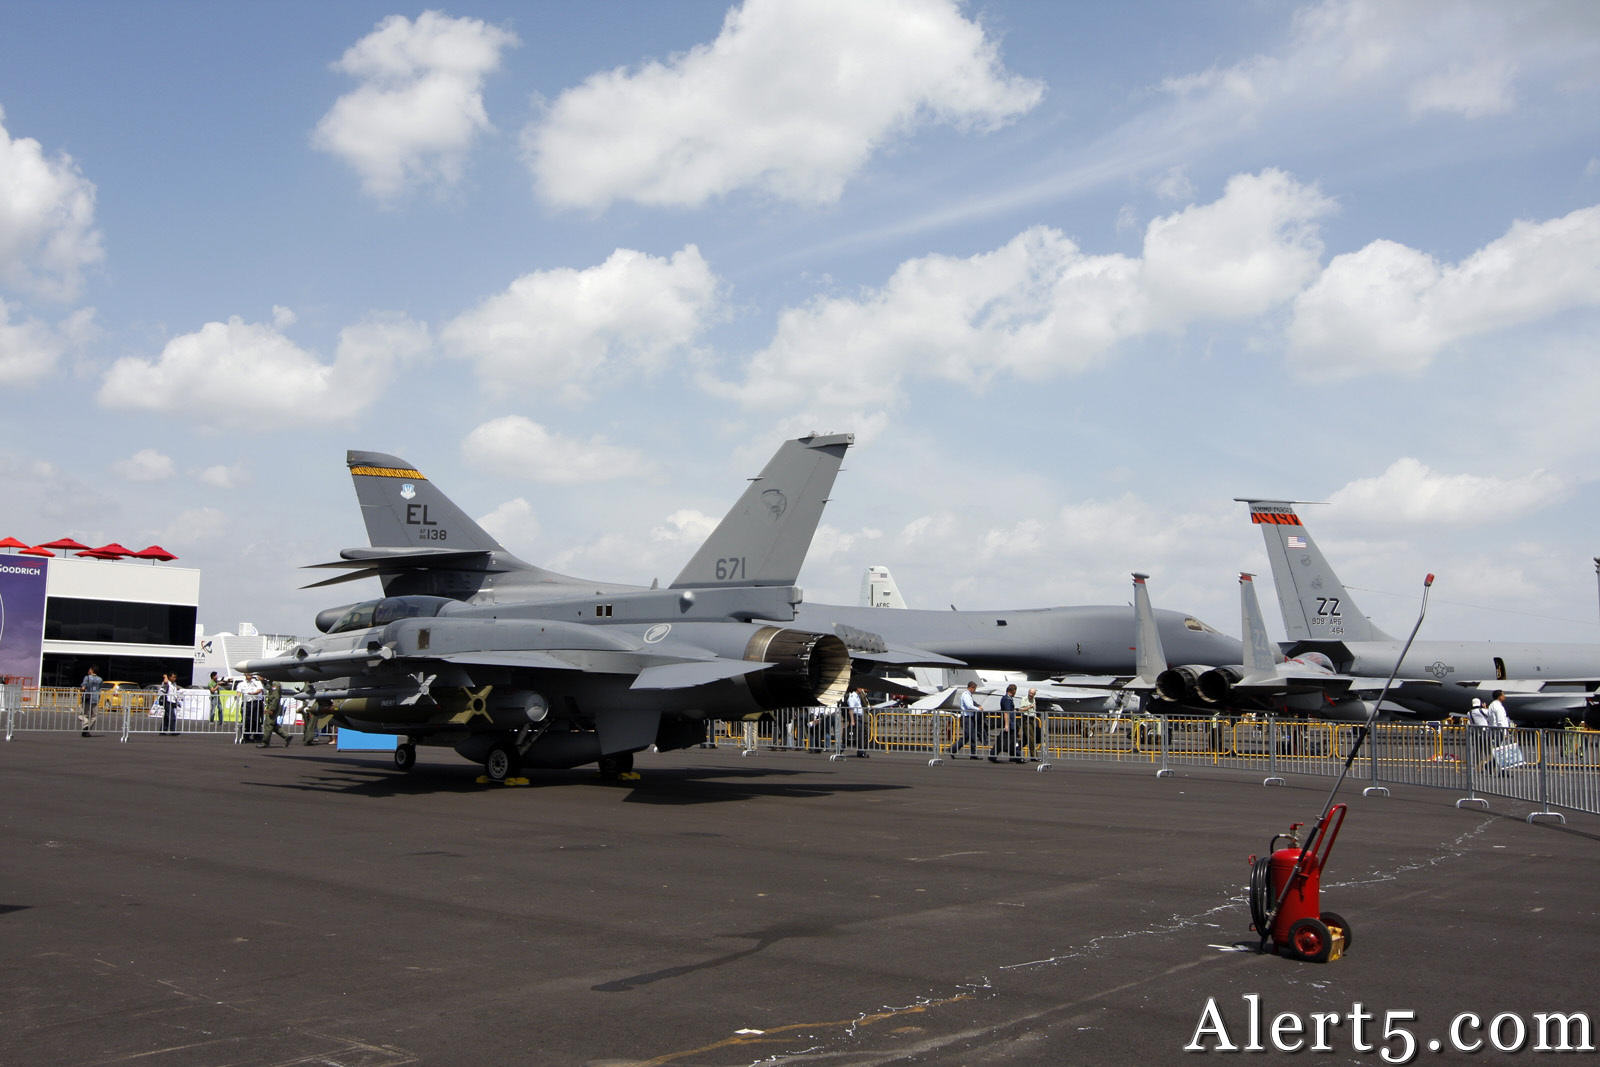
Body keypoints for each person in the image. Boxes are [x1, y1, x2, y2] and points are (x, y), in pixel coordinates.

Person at [991, 683, 1021, 762]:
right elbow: (1006, 713)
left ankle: (1014, 756)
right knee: (1009, 741)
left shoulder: (1008, 698)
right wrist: (1007, 725)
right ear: (1013, 691)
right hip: (1009, 723)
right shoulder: (1007, 699)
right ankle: (1017, 757)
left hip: (1010, 723)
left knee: (1009, 741)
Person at [952, 681, 982, 759]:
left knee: (970, 736)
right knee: (968, 736)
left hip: (969, 718)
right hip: (966, 718)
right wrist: (978, 709)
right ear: (971, 688)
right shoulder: (966, 695)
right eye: (974, 689)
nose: (975, 690)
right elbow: (969, 706)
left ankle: (972, 754)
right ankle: (953, 749)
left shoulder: (968, 695)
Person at [258, 678, 291, 747]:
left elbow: (276, 697)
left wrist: (272, 709)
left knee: (268, 724)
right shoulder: (272, 682)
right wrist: (263, 681)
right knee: (273, 724)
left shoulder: (275, 684)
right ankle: (286, 736)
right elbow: (268, 688)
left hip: (273, 706)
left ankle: (265, 742)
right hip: (272, 705)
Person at [238, 674, 265, 742]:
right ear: (245, 675)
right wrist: (237, 697)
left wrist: (253, 693)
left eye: (250, 674)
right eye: (248, 674)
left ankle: (258, 737)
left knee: (256, 720)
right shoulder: (241, 684)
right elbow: (238, 693)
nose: (249, 675)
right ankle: (246, 737)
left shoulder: (257, 682)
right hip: (247, 703)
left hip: (256, 702)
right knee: (246, 720)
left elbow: (259, 690)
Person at [79, 666, 103, 736]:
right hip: (95, 698)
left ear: (92, 670)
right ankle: (87, 730)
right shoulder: (100, 679)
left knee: (83, 715)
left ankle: (85, 726)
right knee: (94, 716)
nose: (88, 670)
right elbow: (100, 688)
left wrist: (81, 690)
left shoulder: (87, 677)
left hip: (87, 698)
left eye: (89, 669)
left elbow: (83, 687)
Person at [1019, 687, 1041, 760]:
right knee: (1031, 738)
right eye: (1030, 693)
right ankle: (1034, 756)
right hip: (1026, 719)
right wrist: (1029, 707)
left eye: (1032, 694)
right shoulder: (1024, 699)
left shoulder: (1033, 699)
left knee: (1026, 739)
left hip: (1032, 719)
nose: (1031, 695)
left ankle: (1015, 749)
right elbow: (1021, 709)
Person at [847, 686, 870, 758]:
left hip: (859, 717)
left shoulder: (857, 696)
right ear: (857, 688)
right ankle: (860, 752)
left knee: (860, 735)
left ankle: (861, 752)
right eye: (861, 688)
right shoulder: (853, 697)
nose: (862, 689)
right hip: (856, 717)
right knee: (859, 735)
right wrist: (852, 721)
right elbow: (851, 710)